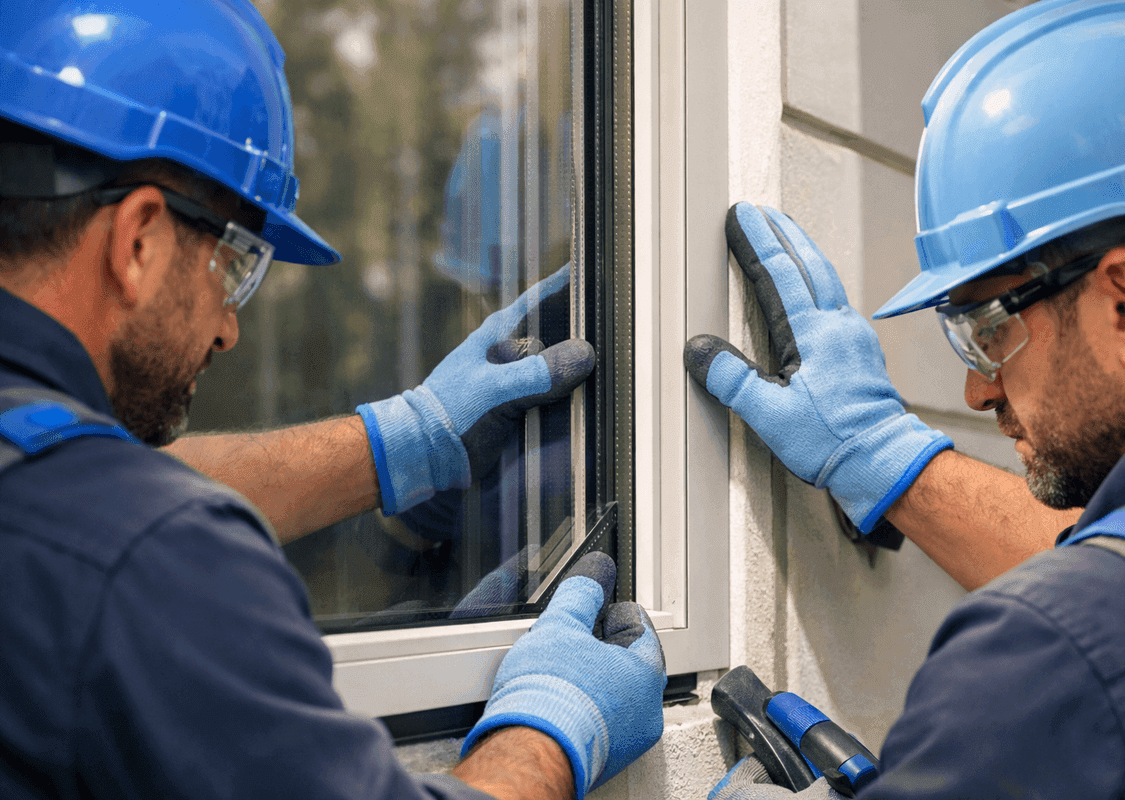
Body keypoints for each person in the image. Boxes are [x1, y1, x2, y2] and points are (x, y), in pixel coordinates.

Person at [0, 2, 666, 799]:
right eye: (235, 267)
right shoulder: (151, 561)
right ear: (138, 239)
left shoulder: (54, 495)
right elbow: (119, 520)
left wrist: (403, 440)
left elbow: (83, 479)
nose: (228, 331)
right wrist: (552, 731)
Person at [690, 0, 1125, 796]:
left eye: (986, 330)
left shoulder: (1047, 658)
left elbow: (1116, 624)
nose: (974, 387)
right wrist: (883, 455)